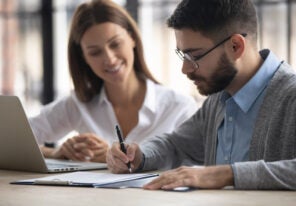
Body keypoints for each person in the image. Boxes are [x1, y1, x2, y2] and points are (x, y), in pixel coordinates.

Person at [106, 0, 296, 190]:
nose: (185, 69)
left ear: (235, 46)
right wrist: (138, 155)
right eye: (183, 56)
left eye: (194, 56)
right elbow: (176, 145)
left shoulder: (290, 95)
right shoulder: (219, 98)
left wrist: (226, 174)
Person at [29, 0, 196, 163]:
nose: (109, 59)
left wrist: (112, 156)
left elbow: (196, 168)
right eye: (95, 52)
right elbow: (8, 140)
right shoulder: (78, 104)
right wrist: (56, 153)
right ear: (84, 57)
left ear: (132, 38)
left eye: (115, 44)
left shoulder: (178, 107)